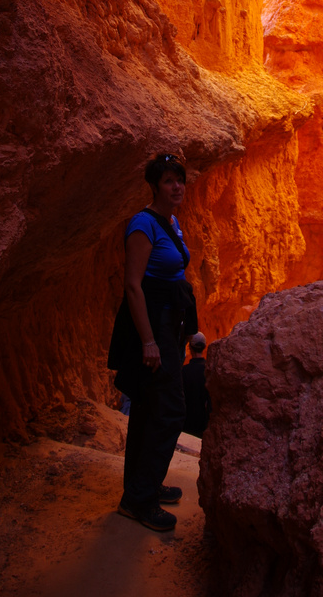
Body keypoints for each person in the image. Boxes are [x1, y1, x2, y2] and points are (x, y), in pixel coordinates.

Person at [107, 152, 197, 533]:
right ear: (154, 186)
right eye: (168, 181)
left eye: (180, 179)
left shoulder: (170, 221)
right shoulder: (143, 225)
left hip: (168, 324)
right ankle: (139, 499)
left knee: (148, 408)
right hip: (152, 326)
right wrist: (148, 341)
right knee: (170, 410)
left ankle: (143, 486)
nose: (177, 187)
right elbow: (133, 285)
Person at [182, 332, 212, 438]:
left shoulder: (183, 372)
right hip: (202, 424)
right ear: (204, 347)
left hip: (185, 424)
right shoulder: (209, 372)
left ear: (190, 347)